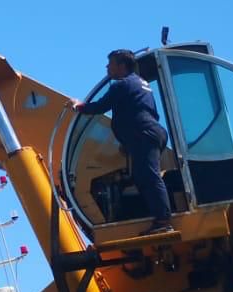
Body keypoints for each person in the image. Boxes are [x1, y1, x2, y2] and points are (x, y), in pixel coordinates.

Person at [70, 48, 173, 233]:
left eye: (110, 64)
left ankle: (163, 220)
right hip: (150, 134)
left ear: (121, 65)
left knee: (149, 177)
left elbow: (100, 106)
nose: (107, 67)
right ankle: (154, 216)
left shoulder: (122, 85)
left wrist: (79, 106)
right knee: (141, 177)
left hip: (143, 136)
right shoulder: (141, 83)